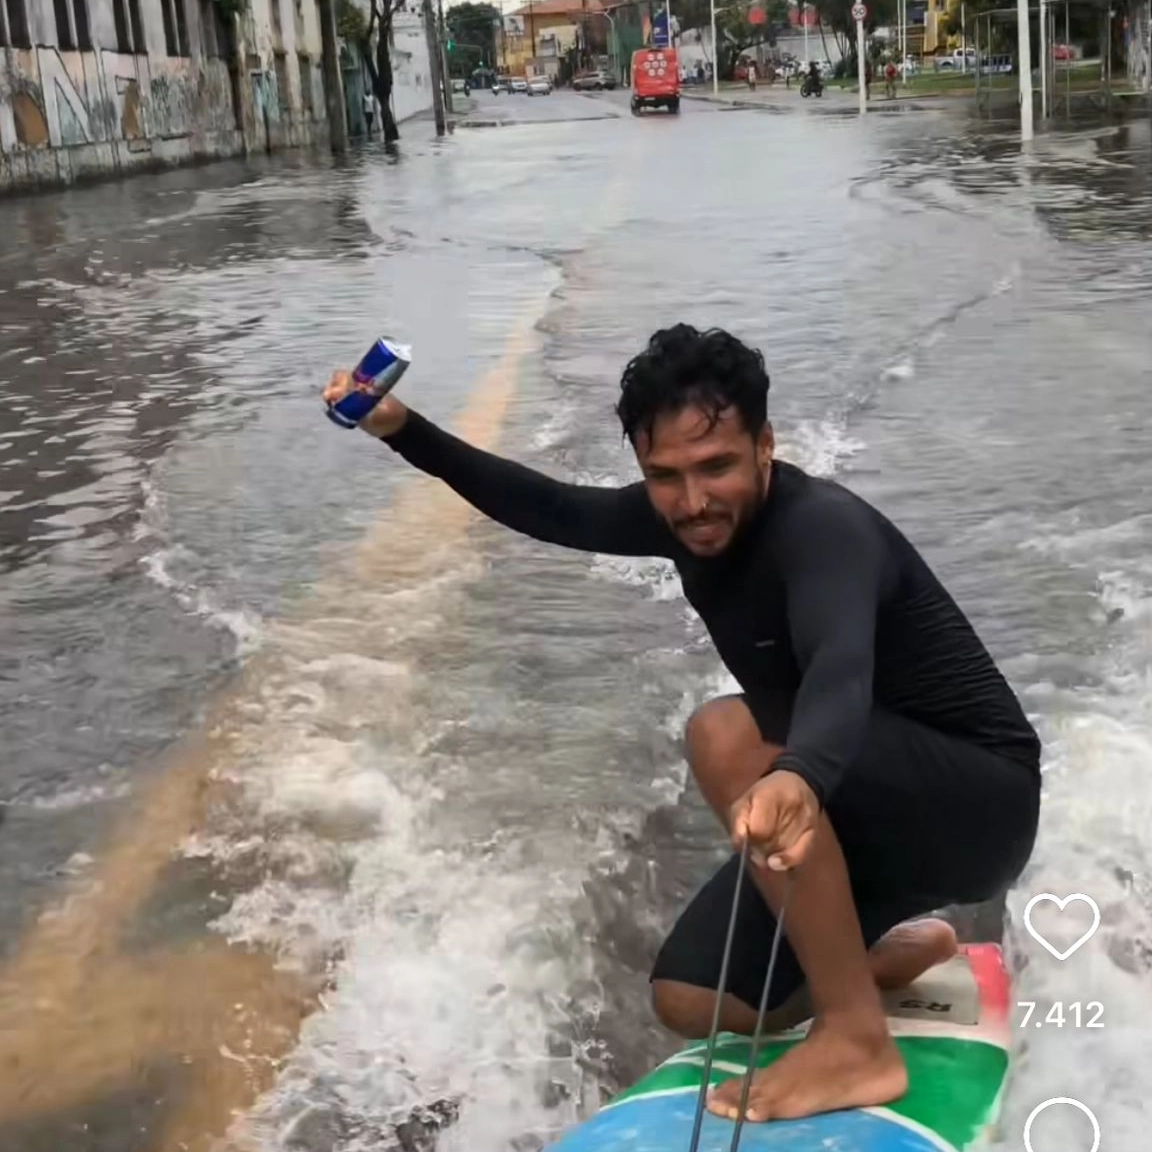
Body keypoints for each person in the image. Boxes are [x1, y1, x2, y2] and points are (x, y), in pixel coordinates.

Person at [321, 326, 1041, 1122]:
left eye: (717, 466)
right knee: (690, 997)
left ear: (766, 445)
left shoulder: (823, 532)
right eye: (663, 475)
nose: (693, 501)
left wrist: (800, 774)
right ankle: (880, 959)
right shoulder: (681, 521)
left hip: (978, 802)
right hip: (857, 806)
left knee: (725, 734)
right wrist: (402, 430)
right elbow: (551, 507)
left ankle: (855, 1040)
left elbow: (840, 670)